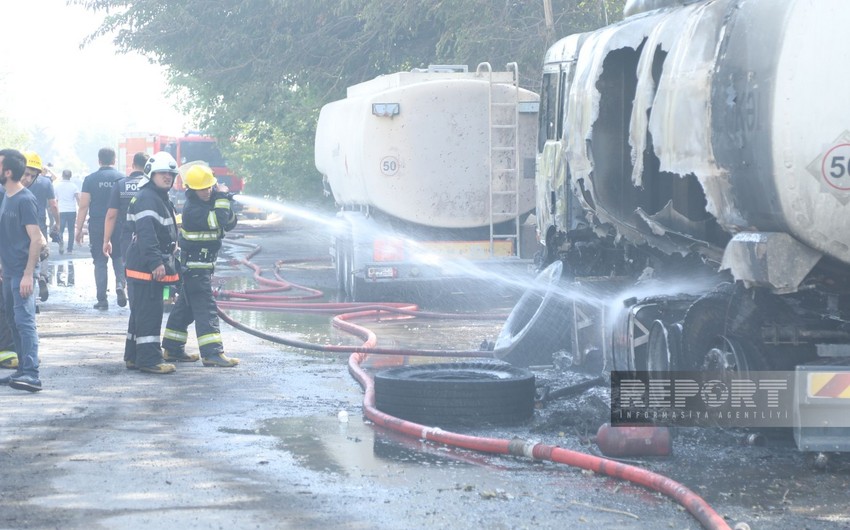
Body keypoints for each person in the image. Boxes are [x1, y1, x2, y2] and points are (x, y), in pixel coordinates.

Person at [162, 165, 239, 367]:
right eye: (202, 189)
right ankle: (212, 354)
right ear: (192, 189)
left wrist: (223, 200)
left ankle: (172, 348)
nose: (207, 191)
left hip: (198, 268)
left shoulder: (209, 202)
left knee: (185, 309)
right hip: (195, 269)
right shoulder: (193, 210)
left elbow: (229, 223)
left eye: (210, 187)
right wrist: (222, 199)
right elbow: (219, 220)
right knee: (206, 310)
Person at [123, 151, 181, 374]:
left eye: (171, 174)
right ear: (150, 173)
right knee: (149, 313)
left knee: (139, 313)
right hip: (146, 267)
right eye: (163, 173)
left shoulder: (156, 196)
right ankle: (149, 360)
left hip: (142, 265)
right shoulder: (149, 198)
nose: (168, 177)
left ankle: (133, 356)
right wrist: (157, 262)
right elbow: (146, 234)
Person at [0, 149, 44, 392]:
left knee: (25, 321)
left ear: (8, 171)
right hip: (9, 271)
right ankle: (20, 371)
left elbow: (35, 239)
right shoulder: (7, 195)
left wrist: (28, 274)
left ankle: (31, 373)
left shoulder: (24, 199)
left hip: (22, 273)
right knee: (12, 320)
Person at [76, 147, 125, 309]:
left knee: (100, 261)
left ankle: (102, 300)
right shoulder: (121, 178)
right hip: (119, 223)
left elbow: (83, 206)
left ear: (99, 160)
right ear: (114, 160)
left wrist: (78, 229)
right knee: (118, 257)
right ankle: (120, 285)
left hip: (97, 224)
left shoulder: (90, 179)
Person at [21, 151, 58, 302]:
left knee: (29, 262)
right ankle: (42, 277)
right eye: (26, 174)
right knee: (39, 257)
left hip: (25, 227)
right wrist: (57, 222)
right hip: (39, 223)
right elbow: (53, 204)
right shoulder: (46, 182)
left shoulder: (11, 187)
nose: (28, 179)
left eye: (32, 175)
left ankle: (30, 297)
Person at [103, 152, 147, 277]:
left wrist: (106, 240)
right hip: (151, 235)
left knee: (130, 268)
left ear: (133, 165)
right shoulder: (152, 185)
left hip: (128, 235)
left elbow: (111, 214)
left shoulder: (121, 184)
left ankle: (128, 289)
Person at [54, 170, 80, 254]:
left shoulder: (57, 186)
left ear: (62, 175)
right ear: (70, 176)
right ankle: (69, 249)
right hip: (71, 210)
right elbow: (77, 198)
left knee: (60, 230)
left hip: (61, 210)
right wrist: (80, 208)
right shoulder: (74, 186)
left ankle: (61, 243)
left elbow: (55, 200)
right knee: (71, 230)